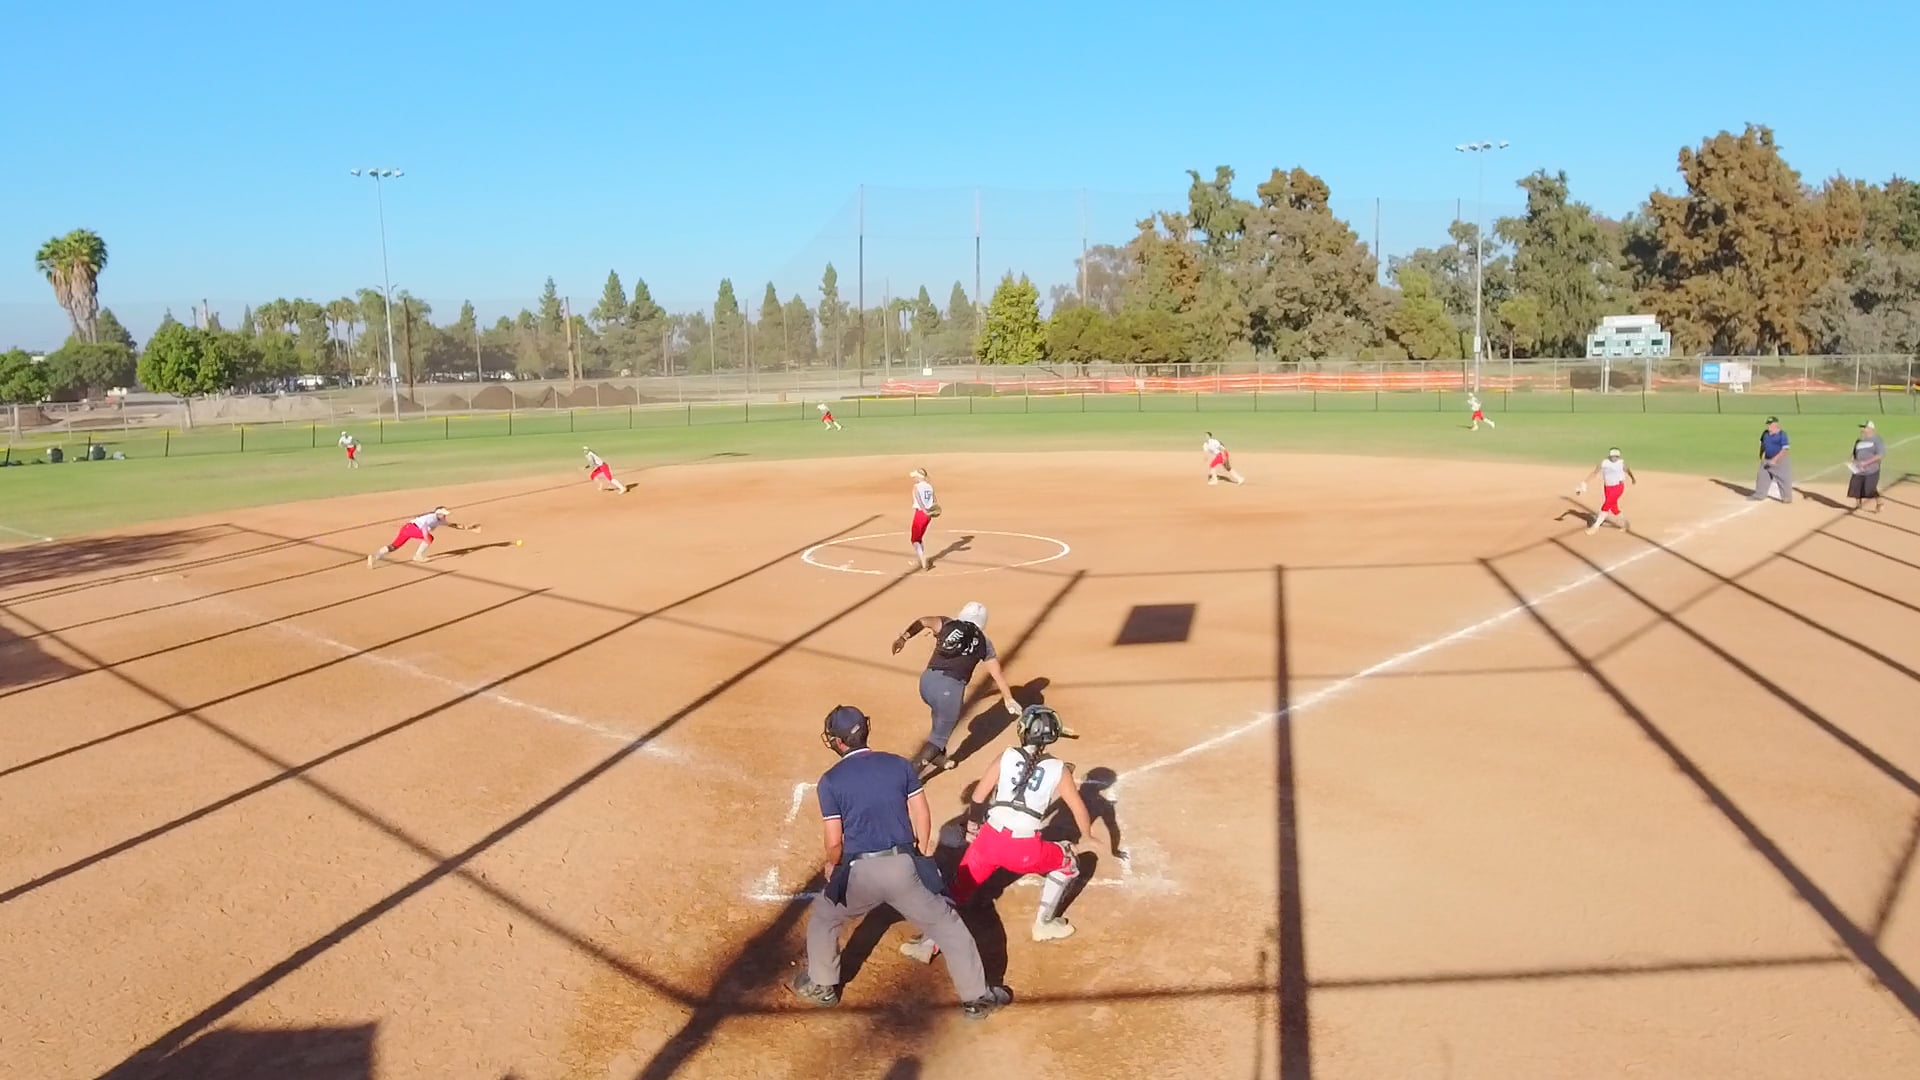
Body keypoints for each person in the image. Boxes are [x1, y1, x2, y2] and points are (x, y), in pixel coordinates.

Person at [788, 705, 1012, 1021]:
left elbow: (834, 841)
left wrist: (832, 865)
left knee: (825, 918)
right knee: (948, 926)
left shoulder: (831, 781)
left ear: (838, 742)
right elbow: (921, 812)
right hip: (903, 869)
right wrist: (918, 852)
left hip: (860, 874)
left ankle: (822, 986)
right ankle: (977, 999)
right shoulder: (898, 765)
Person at [899, 705, 1095, 966]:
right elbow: (1079, 809)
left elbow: (978, 798)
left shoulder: (1007, 755)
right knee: (1068, 861)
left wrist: (973, 826)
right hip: (1025, 851)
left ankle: (927, 944)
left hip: (988, 841)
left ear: (1023, 731)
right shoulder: (1059, 769)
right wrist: (1088, 836)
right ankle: (1044, 924)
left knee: (956, 890)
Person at [891, 601, 1021, 777]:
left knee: (939, 716)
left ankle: (938, 756)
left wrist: (904, 638)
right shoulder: (984, 642)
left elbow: (923, 621)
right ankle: (908, 776)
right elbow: (996, 673)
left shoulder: (947, 623)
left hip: (926, 682)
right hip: (949, 691)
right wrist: (1008, 698)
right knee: (939, 737)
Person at [366, 506, 479, 567]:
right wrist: (425, 537)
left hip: (407, 528)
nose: (445, 517)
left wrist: (468, 528)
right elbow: (424, 526)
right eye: (444, 515)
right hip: (412, 528)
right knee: (429, 538)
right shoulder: (431, 517)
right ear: (438, 513)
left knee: (393, 546)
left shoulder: (439, 520)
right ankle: (418, 556)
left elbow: (452, 525)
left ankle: (374, 557)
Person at [1575, 447, 1636, 534]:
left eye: (1616, 456)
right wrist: (1584, 483)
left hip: (1618, 487)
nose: (1614, 458)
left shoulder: (1621, 463)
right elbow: (1594, 473)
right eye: (1612, 456)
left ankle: (1595, 527)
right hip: (1607, 488)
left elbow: (1628, 470)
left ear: (1618, 456)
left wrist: (1632, 478)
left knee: (1606, 506)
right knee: (1614, 508)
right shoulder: (1604, 463)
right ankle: (1625, 523)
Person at [1750, 417, 1793, 503]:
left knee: (1783, 479)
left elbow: (1784, 449)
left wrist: (1774, 459)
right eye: (1768, 424)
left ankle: (1786, 498)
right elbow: (1762, 445)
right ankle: (1759, 495)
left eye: (1770, 424)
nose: (1768, 426)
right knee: (1762, 477)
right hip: (1767, 459)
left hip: (1780, 461)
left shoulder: (1782, 434)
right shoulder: (1765, 434)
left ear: (1776, 424)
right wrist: (1760, 454)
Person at [1848, 420, 1887, 514]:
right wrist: (1852, 459)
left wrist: (1866, 463)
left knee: (1870, 489)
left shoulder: (1877, 440)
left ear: (1870, 429)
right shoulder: (1859, 440)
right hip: (1858, 469)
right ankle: (1858, 506)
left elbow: (1880, 455)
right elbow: (1854, 452)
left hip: (1871, 469)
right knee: (1856, 488)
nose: (1862, 429)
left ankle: (1880, 502)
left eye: (1864, 427)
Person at [907, 468, 940, 571]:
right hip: (928, 515)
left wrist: (924, 510)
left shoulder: (916, 487)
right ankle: (920, 559)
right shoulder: (929, 486)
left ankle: (923, 558)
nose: (914, 479)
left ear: (918, 477)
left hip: (920, 513)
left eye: (915, 477)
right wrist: (930, 511)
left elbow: (919, 500)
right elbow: (935, 501)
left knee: (914, 540)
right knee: (919, 538)